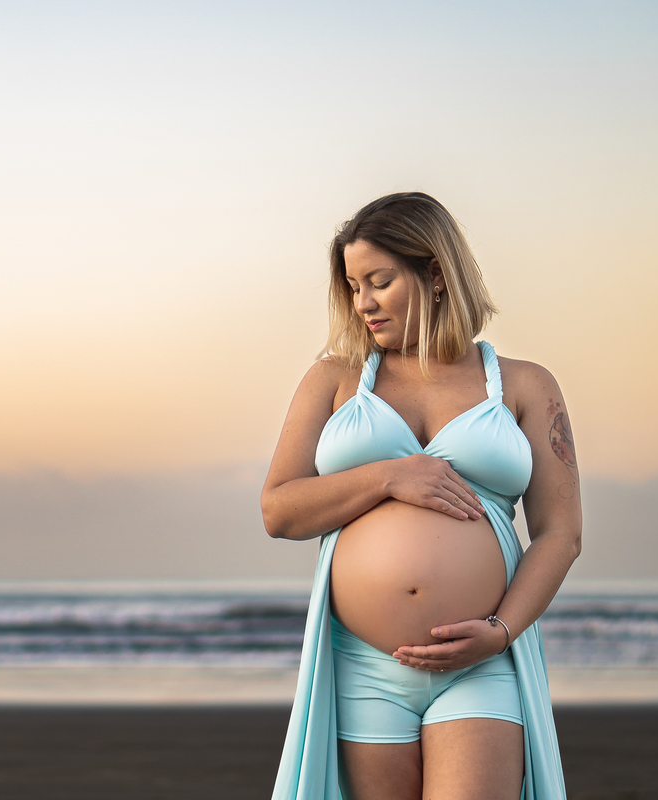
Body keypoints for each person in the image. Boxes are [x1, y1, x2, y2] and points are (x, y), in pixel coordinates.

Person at [262, 192, 581, 800]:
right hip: (364, 667)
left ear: (436, 274)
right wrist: (388, 477)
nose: (363, 303)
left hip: (481, 663)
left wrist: (501, 631)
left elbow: (561, 533)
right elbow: (279, 510)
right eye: (353, 287)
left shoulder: (523, 384)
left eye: (380, 282)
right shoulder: (334, 379)